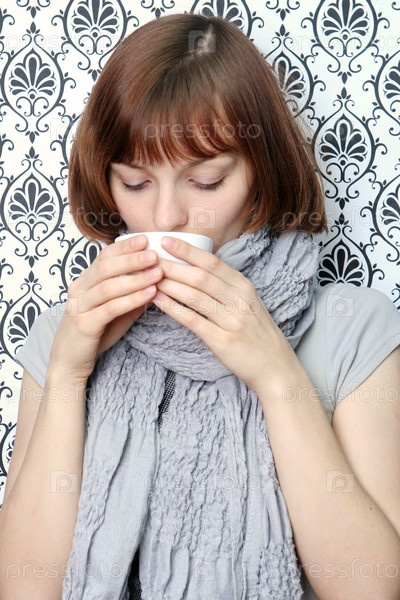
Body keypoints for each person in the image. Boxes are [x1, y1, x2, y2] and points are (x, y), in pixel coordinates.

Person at [0, 12, 399, 600]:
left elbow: (371, 590)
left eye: (206, 182)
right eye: (135, 183)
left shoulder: (354, 329)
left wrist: (276, 374)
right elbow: (23, 589)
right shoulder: (67, 332)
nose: (166, 216)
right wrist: (67, 373)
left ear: (262, 173)